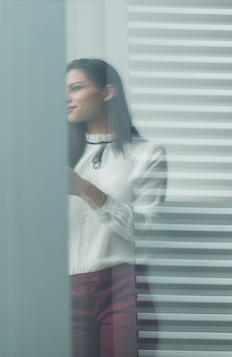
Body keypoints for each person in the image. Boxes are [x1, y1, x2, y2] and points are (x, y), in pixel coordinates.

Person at [65, 58, 166, 357]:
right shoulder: (59, 158)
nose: (66, 98)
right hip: (67, 291)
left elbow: (145, 232)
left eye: (76, 88)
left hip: (122, 288)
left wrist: (86, 189)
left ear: (107, 92)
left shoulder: (147, 154)